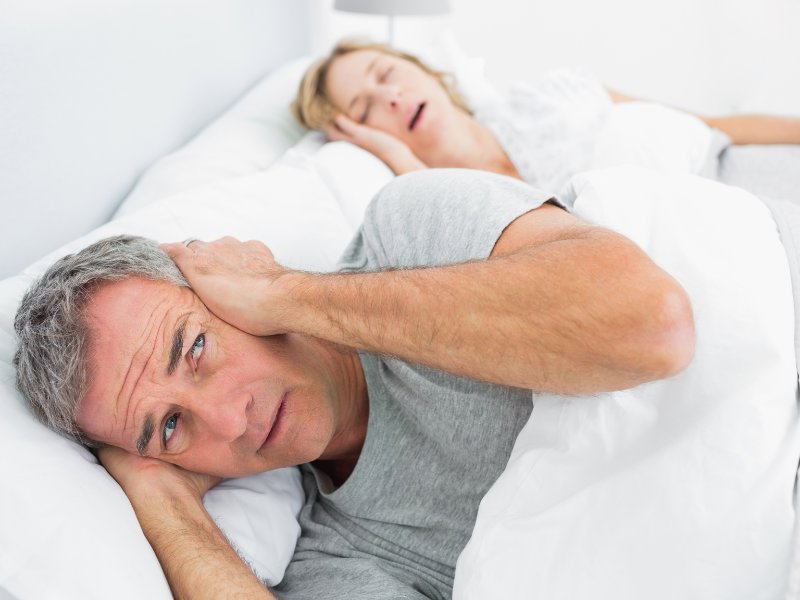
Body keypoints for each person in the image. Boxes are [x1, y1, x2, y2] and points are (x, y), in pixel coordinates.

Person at [14, 169, 696, 599]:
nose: (228, 421)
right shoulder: (338, 555)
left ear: (224, 289)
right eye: (169, 426)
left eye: (194, 349)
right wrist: (163, 501)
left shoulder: (411, 230)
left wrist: (286, 294)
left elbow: (653, 327)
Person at [292, 39, 800, 193]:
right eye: (365, 109)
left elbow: (719, 126)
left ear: (422, 68)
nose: (392, 98)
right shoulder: (437, 197)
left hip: (751, 178)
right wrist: (399, 159)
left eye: (386, 73)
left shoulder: (556, 94)